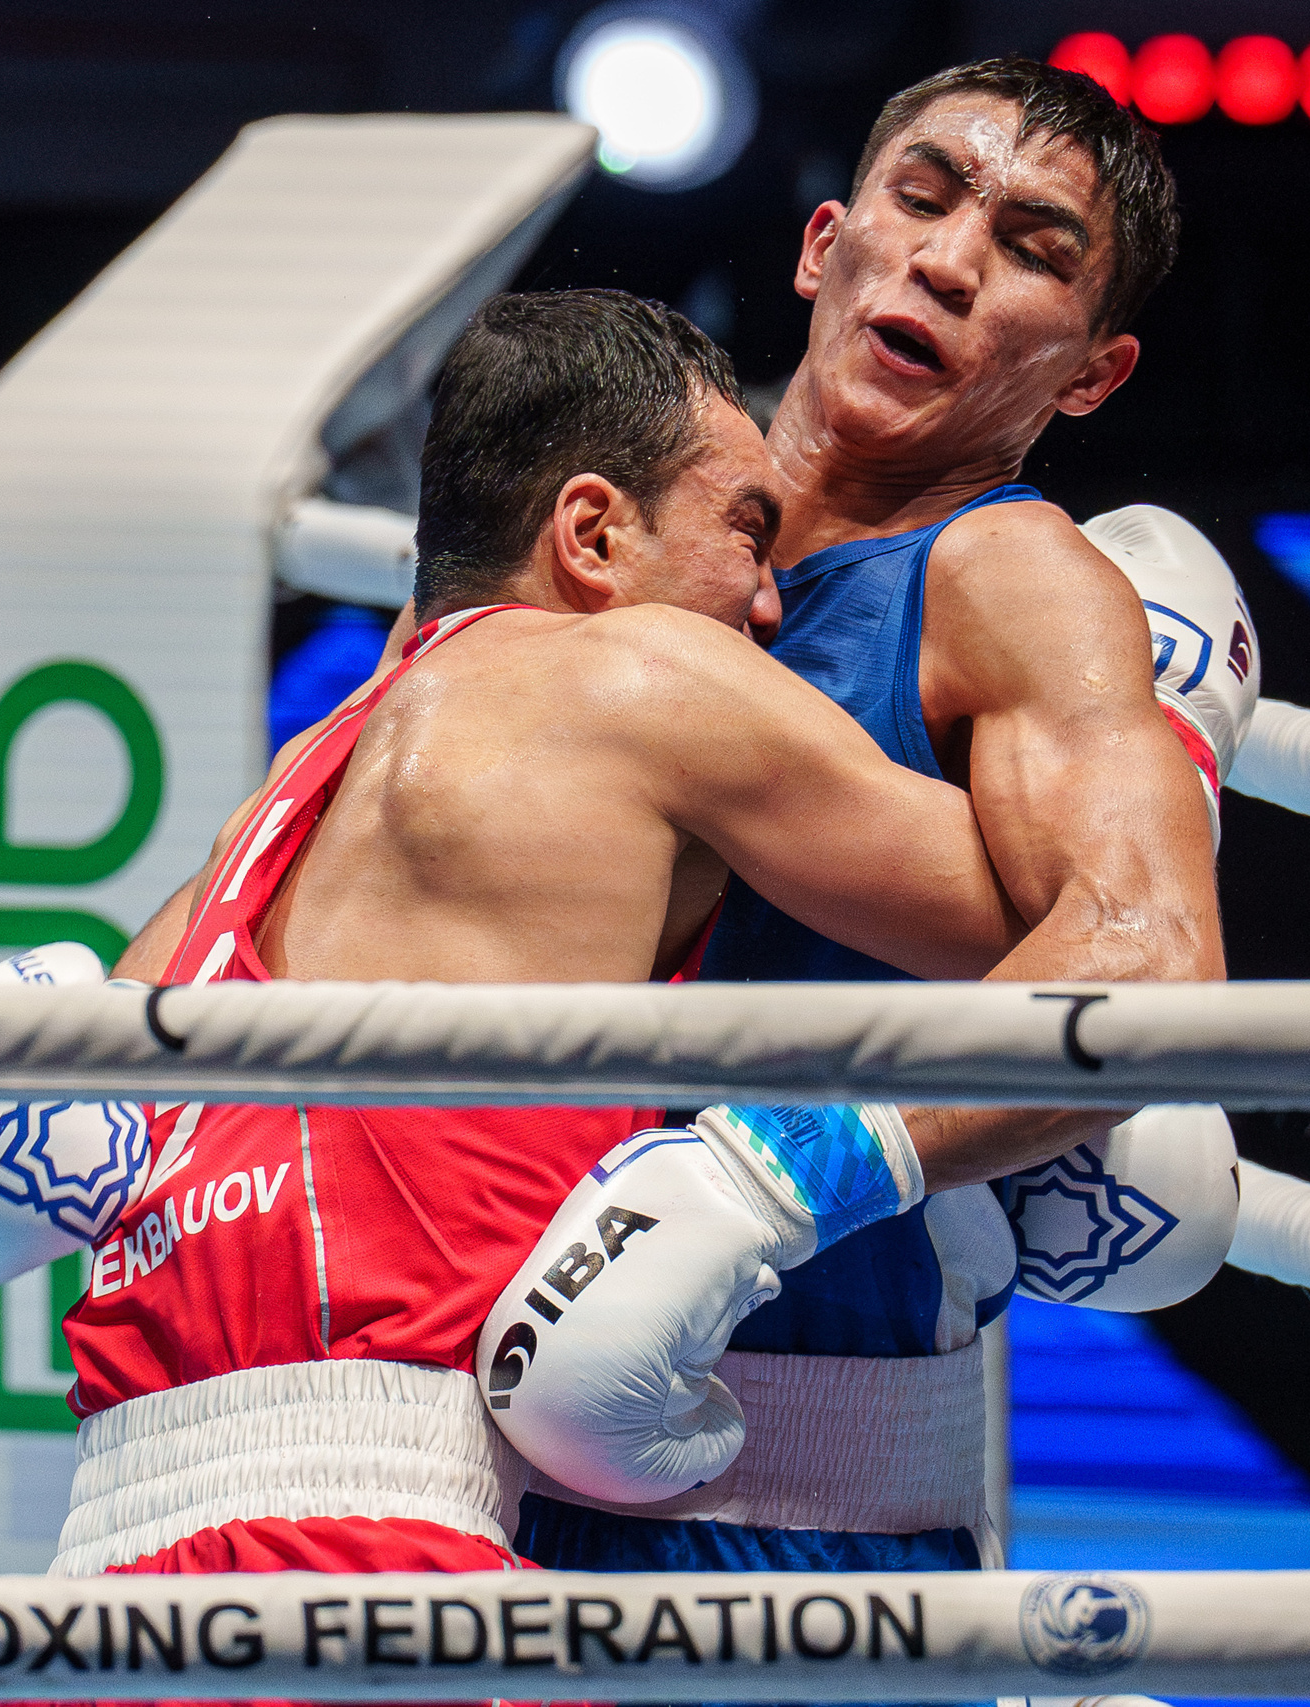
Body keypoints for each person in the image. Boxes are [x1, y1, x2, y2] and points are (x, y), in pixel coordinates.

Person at [0, 287, 1191, 1591]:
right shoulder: (651, 677)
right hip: (391, 1553)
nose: (773, 605)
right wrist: (1160, 742)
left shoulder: (297, 785)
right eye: (746, 534)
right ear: (593, 534)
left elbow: (21, 1135)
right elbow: (1071, 919)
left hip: (104, 1568)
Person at [483, 57, 1257, 1587]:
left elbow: (1154, 972)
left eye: (1034, 248)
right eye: (925, 196)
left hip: (792, 1507)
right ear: (824, 245)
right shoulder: (612, 513)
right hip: (453, 1446)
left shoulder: (1005, 581)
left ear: (1092, 376)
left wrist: (776, 1178)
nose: (953, 258)